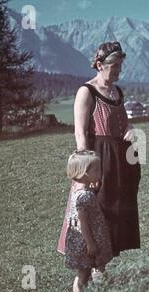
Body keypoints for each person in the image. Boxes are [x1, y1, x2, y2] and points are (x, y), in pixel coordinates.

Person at [57, 41, 141, 259]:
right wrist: (87, 169)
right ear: (100, 65)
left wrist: (131, 128)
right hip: (99, 159)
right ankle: (94, 263)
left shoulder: (117, 92)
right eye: (115, 68)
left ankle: (107, 257)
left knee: (116, 209)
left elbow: (124, 121)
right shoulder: (87, 92)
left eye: (121, 67)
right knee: (97, 209)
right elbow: (80, 133)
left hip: (120, 159)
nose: (119, 72)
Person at [65, 150, 113, 292]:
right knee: (91, 271)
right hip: (87, 242)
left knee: (83, 273)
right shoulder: (84, 196)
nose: (100, 172)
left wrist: (94, 188)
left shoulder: (78, 191)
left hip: (82, 241)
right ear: (85, 173)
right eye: (97, 170)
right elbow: (83, 222)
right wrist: (90, 243)